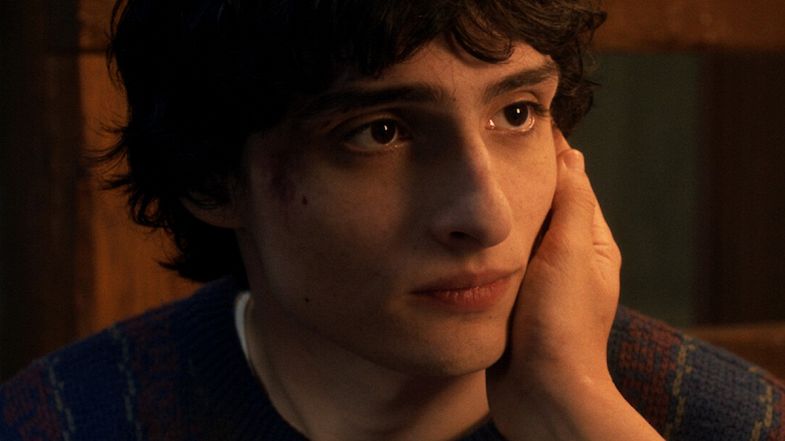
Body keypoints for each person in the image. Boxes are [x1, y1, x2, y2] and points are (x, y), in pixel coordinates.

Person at [2, 0, 784, 440]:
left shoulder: (725, 419)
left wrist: (573, 407)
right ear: (213, 178)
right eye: (379, 131)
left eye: (516, 113)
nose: (484, 214)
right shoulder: (66, 419)